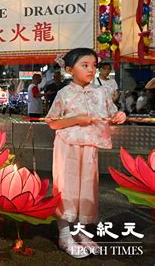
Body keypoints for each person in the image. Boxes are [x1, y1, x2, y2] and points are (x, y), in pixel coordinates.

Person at [47, 48, 126, 258]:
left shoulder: (101, 92)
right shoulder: (64, 94)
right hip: (68, 147)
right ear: (70, 70)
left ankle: (81, 231)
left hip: (89, 148)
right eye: (85, 65)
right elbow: (53, 123)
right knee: (67, 188)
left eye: (94, 65)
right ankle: (64, 234)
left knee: (87, 189)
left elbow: (112, 112)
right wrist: (75, 120)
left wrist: (120, 115)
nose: (91, 69)